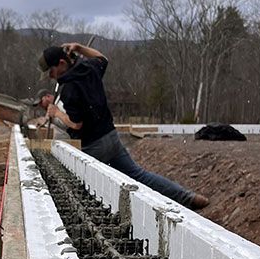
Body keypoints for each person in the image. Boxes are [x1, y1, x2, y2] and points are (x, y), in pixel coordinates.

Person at [38, 42, 209, 210]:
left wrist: (57, 113)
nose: (52, 77)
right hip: (111, 136)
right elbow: (102, 58)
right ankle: (188, 197)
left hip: (92, 145)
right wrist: (80, 48)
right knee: (139, 175)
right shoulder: (88, 68)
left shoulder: (68, 88)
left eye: (51, 72)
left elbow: (76, 124)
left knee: (85, 189)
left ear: (61, 63)